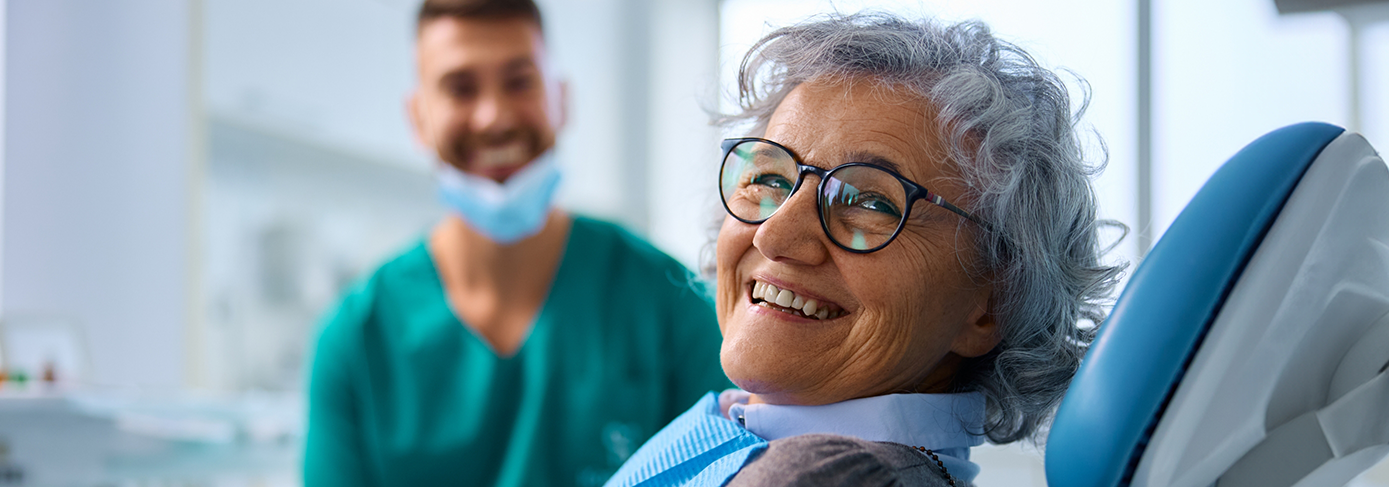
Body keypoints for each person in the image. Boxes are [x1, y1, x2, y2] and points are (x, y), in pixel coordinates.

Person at [604, 12, 1123, 487]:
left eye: (871, 202)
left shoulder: (825, 476)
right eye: (769, 177)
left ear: (991, 304)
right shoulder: (749, 432)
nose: (773, 235)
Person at [303, 1, 731, 485]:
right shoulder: (357, 340)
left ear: (562, 99)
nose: (493, 117)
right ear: (419, 118)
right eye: (460, 89)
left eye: (519, 81)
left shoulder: (668, 303)